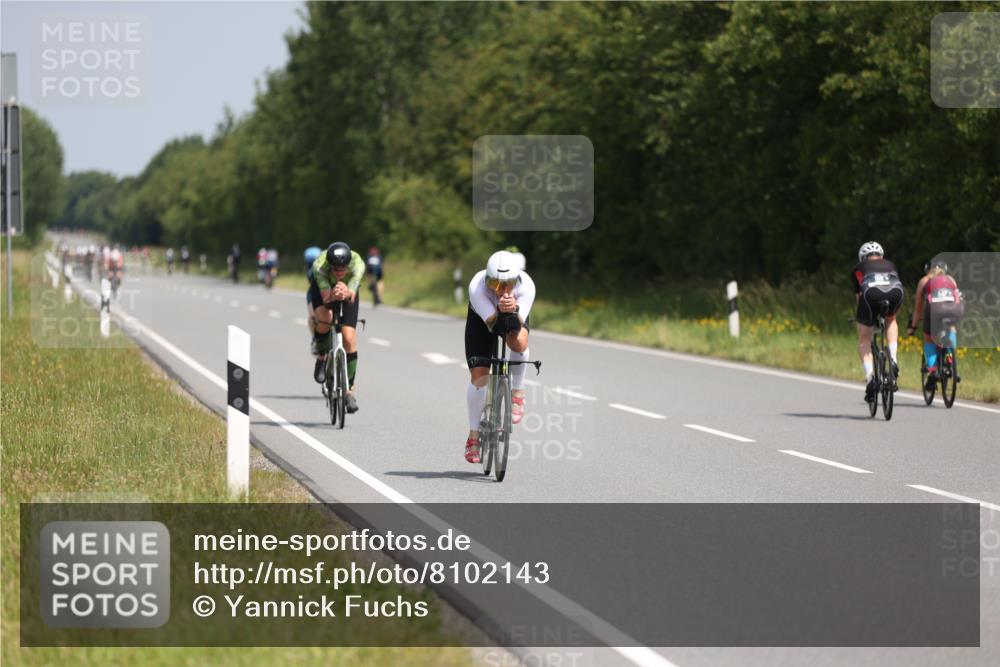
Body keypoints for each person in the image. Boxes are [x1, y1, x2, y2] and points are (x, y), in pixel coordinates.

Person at [463, 250, 535, 464]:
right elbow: (493, 325)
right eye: (495, 284)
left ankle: (517, 394)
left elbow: (514, 331)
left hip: (513, 314)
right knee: (480, 376)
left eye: (508, 283)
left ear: (517, 279)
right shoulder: (477, 287)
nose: (502, 290)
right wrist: (501, 309)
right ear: (487, 279)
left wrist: (512, 310)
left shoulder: (526, 287)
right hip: (483, 319)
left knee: (520, 343)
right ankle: (473, 436)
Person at [309, 242, 366, 413]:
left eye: (343, 269)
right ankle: (322, 355)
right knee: (325, 319)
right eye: (336, 269)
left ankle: (349, 391)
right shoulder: (320, 267)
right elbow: (326, 300)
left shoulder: (358, 264)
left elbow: (352, 294)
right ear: (330, 266)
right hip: (324, 291)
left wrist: (346, 292)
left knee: (349, 337)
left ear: (348, 265)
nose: (340, 272)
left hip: (347, 291)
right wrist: (333, 294)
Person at [851, 241, 904, 404]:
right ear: (881, 256)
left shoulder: (858, 268)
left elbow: (859, 297)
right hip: (896, 290)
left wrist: (864, 320)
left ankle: (870, 380)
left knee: (864, 339)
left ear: (862, 257)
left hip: (870, 291)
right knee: (891, 318)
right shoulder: (891, 264)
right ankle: (893, 358)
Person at [907, 259, 964, 391]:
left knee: (929, 340)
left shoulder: (924, 281)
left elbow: (918, 309)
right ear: (945, 269)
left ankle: (933, 372)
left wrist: (913, 327)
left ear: (927, 269)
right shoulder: (950, 279)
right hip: (954, 310)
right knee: (951, 329)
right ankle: (950, 360)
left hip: (934, 311)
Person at [303, 246, 323, 337]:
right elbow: (309, 277)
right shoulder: (311, 271)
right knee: (313, 316)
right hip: (314, 292)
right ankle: (315, 338)